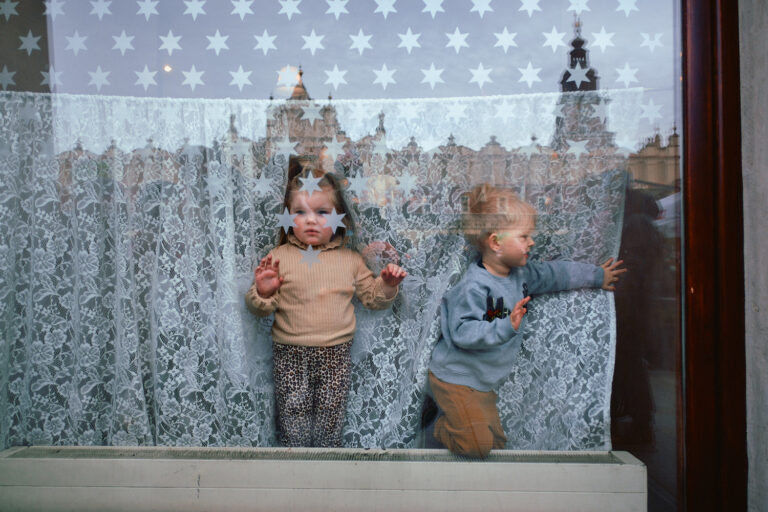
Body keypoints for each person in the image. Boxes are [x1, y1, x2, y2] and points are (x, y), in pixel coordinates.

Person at [426, 184, 626, 458]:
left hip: (483, 382)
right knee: (476, 444)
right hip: (456, 378)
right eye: (524, 236)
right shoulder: (474, 286)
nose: (531, 242)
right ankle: (437, 430)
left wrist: (596, 276)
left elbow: (556, 274)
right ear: (496, 243)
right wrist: (506, 326)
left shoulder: (521, 275)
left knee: (495, 444)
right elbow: (462, 332)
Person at [245, 165, 407, 447]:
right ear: (286, 215)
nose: (311, 221)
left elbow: (372, 298)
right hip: (289, 354)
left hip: (335, 355)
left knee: (329, 422)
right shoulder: (279, 256)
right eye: (300, 212)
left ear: (339, 219)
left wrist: (388, 285)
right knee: (292, 420)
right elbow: (258, 308)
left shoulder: (350, 260)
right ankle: (294, 473)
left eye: (322, 213)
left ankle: (325, 472)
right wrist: (263, 291)